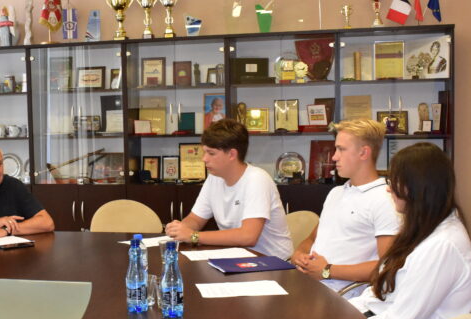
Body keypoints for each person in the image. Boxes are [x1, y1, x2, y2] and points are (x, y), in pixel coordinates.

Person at [349, 143, 471, 319]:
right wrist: (345, 311)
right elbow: (383, 294)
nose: (388, 188)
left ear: (416, 187)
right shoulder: (425, 228)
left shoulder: (442, 246)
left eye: (394, 181)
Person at [291, 119, 399, 295]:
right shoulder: (336, 192)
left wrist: (327, 270)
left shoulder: (385, 200)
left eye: (341, 149)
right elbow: (311, 239)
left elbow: (388, 267)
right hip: (308, 286)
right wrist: (299, 254)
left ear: (364, 153)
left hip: (342, 296)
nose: (334, 157)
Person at [165, 119, 292, 259]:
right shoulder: (214, 178)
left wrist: (193, 236)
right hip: (238, 258)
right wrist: (180, 229)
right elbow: (195, 219)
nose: (204, 159)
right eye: (204, 152)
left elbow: (248, 237)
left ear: (232, 154)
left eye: (211, 153)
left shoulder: (257, 179)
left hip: (272, 262)